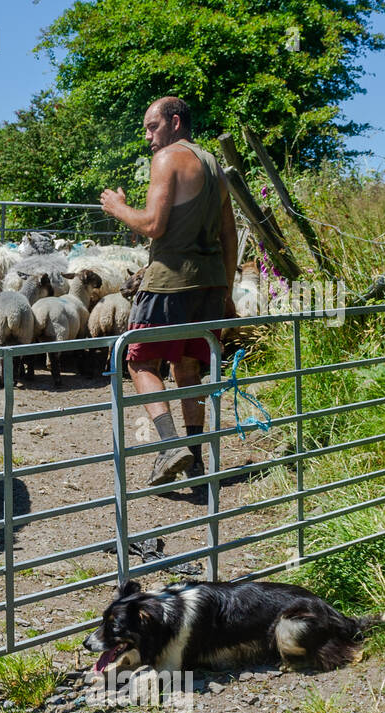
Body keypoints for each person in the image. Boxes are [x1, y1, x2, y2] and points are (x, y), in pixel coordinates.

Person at [100, 96, 237, 488]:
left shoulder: (168, 160)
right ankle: (194, 460)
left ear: (175, 122)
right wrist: (225, 292)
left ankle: (169, 445)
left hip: (169, 283)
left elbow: (154, 224)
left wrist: (117, 207)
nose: (148, 137)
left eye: (151, 126)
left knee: (139, 360)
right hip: (209, 285)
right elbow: (229, 236)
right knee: (188, 366)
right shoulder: (215, 167)